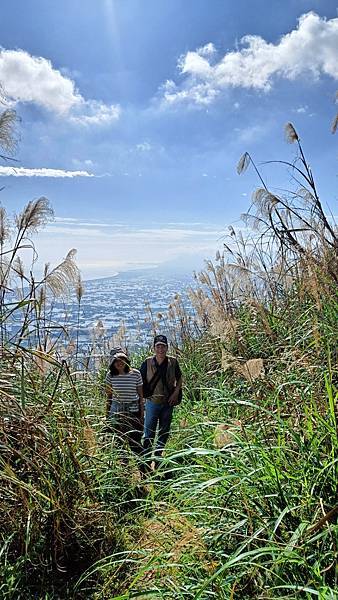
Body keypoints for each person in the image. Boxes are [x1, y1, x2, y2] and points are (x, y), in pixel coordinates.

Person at [140, 335, 182, 470]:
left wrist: (176, 393)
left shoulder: (173, 362)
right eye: (158, 346)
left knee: (164, 432)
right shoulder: (147, 363)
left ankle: (157, 458)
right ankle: (146, 461)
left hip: (168, 403)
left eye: (163, 346)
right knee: (149, 433)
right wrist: (141, 400)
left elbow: (180, 377)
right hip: (152, 403)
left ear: (167, 348)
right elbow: (139, 382)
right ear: (154, 348)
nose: (160, 349)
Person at [105, 347, 144, 456]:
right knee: (119, 442)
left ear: (126, 361)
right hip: (117, 411)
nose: (119, 363)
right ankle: (124, 469)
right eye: (116, 360)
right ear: (112, 363)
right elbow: (109, 397)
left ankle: (143, 469)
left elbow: (141, 396)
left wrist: (142, 415)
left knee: (135, 441)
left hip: (133, 410)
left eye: (122, 359)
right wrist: (107, 416)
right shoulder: (110, 376)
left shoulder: (136, 374)